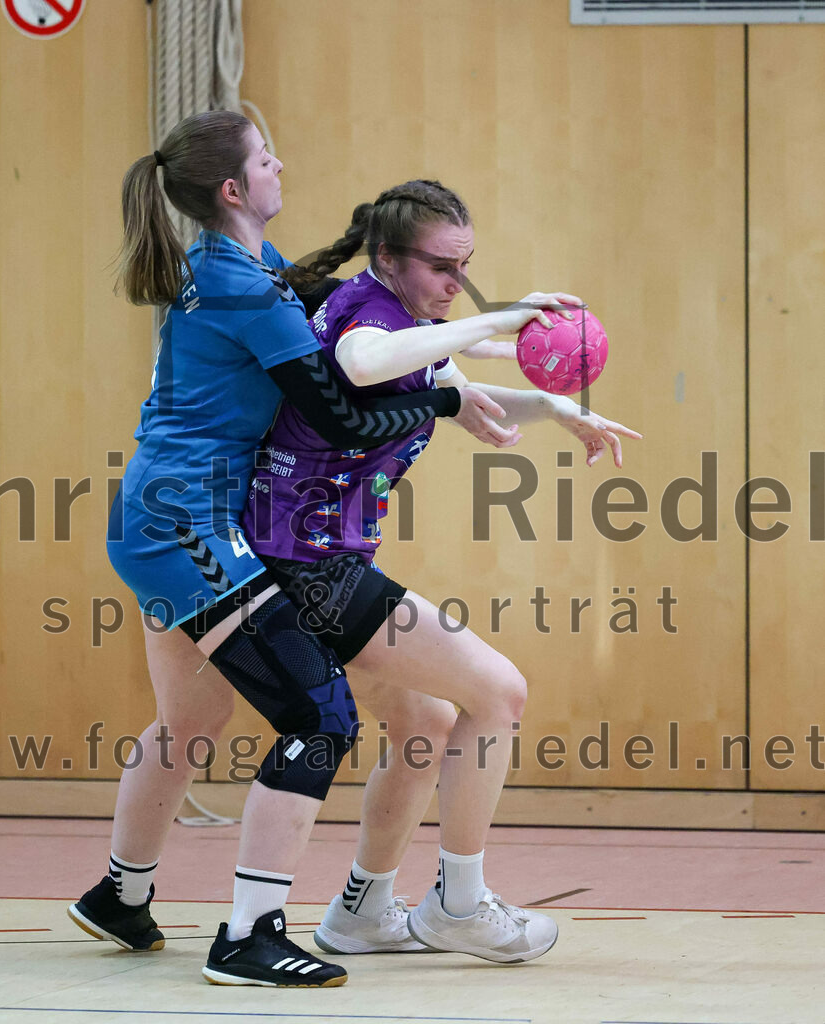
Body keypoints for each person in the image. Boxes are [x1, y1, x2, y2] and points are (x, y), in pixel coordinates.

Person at [66, 112, 535, 989]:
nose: (284, 163)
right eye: (266, 156)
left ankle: (118, 894)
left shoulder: (240, 270)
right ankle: (249, 934)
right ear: (234, 190)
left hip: (172, 514)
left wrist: (491, 343)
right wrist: (445, 400)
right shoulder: (242, 283)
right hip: (186, 524)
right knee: (318, 717)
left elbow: (360, 338)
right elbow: (339, 412)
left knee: (191, 721)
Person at [241, 179, 643, 964]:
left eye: (466, 267)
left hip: (315, 555)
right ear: (388, 257)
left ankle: (361, 908)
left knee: (425, 722)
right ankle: (460, 901)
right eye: (440, 267)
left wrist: (558, 410)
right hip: (304, 561)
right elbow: (362, 364)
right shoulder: (371, 316)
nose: (454, 285)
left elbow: (456, 394)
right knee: (498, 692)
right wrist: (490, 321)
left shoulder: (403, 316)